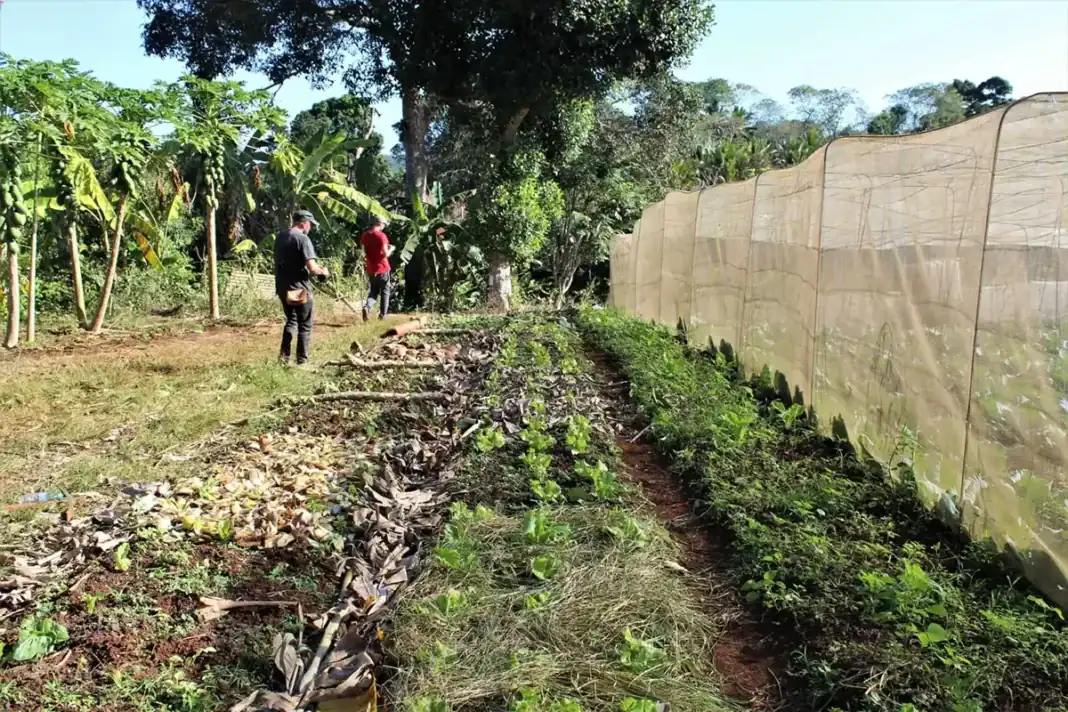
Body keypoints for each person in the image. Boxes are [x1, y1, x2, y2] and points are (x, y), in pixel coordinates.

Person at [274, 210, 329, 365]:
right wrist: (323, 271)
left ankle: (283, 358)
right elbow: (312, 268)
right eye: (310, 224)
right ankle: (302, 361)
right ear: (304, 223)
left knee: (290, 321)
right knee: (304, 324)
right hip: (298, 289)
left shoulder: (280, 237)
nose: (310, 228)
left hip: (282, 287)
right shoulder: (302, 239)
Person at [360, 218, 393, 321]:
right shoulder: (381, 236)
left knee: (373, 291)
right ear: (380, 224)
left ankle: (367, 307)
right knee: (385, 291)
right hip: (382, 268)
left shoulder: (365, 235)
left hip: (371, 268)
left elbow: (365, 250)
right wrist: (391, 248)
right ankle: (383, 316)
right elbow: (385, 254)